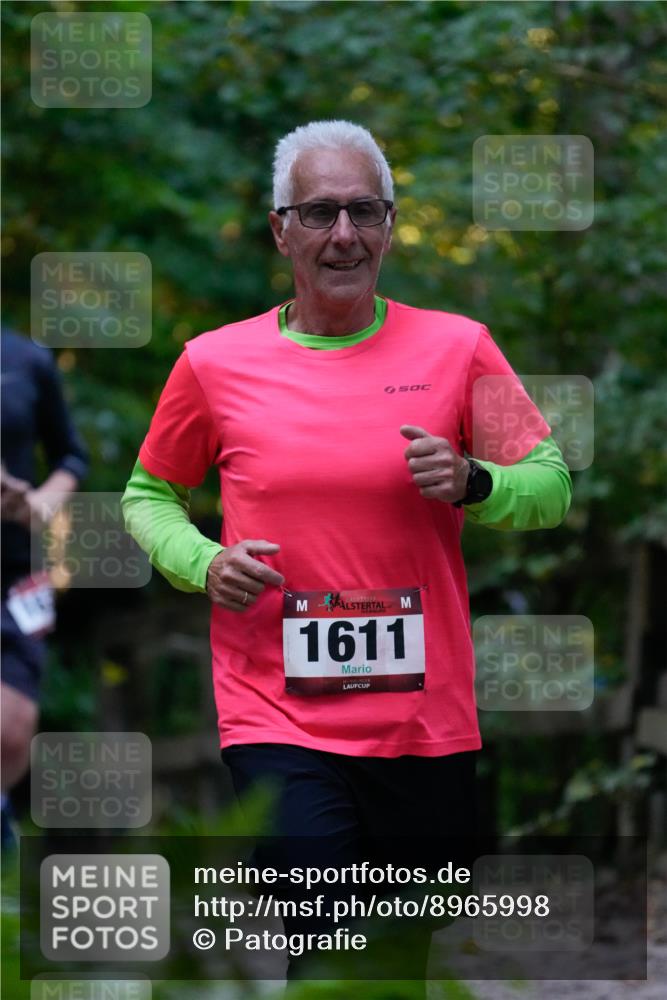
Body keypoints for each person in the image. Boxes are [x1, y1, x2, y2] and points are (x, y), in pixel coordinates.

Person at [122, 120, 572, 984]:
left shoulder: (458, 347)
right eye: (319, 212)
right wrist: (203, 561)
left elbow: (549, 485)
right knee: (325, 935)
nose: (343, 234)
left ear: (390, 226)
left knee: (396, 960)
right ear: (279, 230)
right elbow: (148, 496)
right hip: (277, 712)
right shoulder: (214, 364)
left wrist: (475, 481)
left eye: (364, 211)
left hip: (423, 723)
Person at [1, 327, 88, 848]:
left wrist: (38, 504)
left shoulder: (26, 358)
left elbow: (71, 456)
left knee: (12, 732)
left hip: (16, 572)